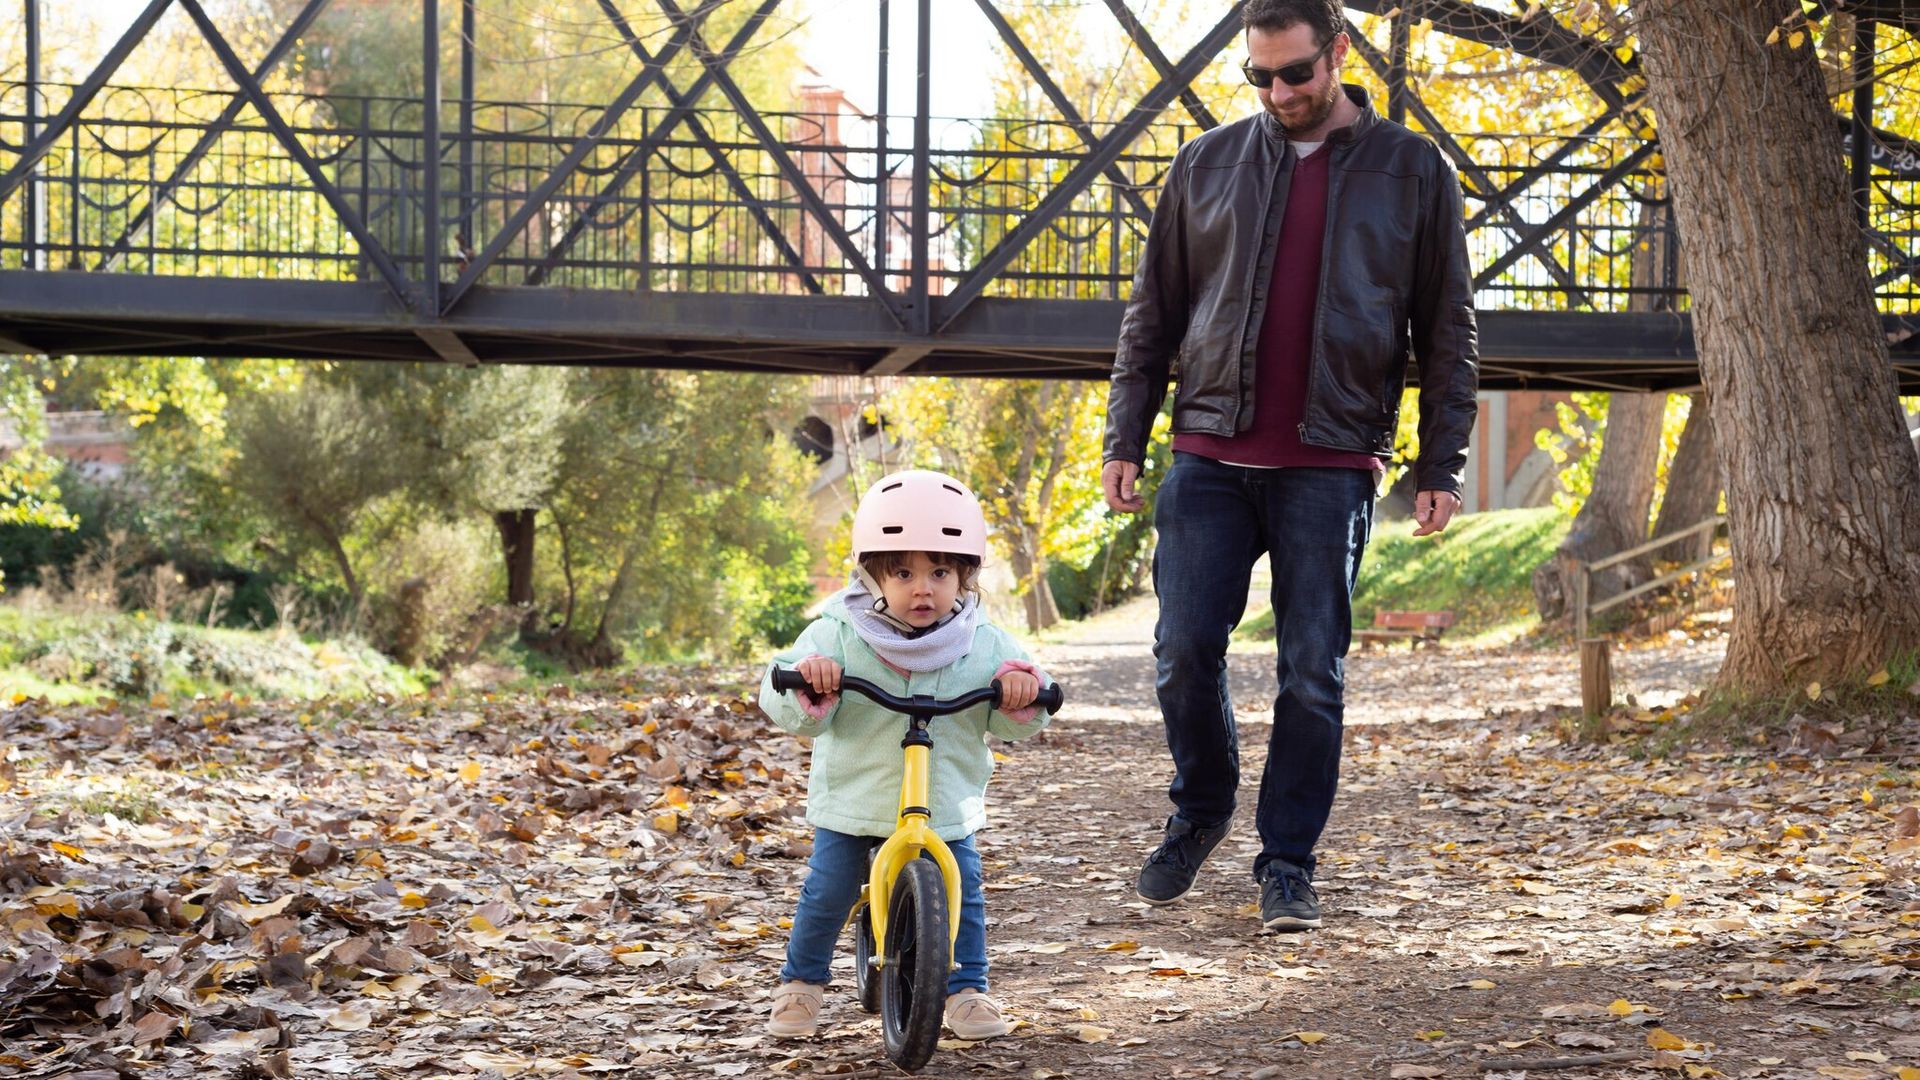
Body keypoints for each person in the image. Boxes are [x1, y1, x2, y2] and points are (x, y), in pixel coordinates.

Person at [1099, 0, 1478, 933]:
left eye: (1296, 74)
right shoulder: (1206, 163)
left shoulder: (1414, 169)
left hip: (1332, 457)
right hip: (1208, 450)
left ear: (1338, 54)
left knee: (1312, 671)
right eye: (1259, 78)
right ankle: (1202, 809)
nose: (1278, 93)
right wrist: (1124, 436)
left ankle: (1287, 863)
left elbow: (1447, 328)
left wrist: (1443, 459)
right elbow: (1153, 313)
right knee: (1183, 650)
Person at [758, 469, 1052, 1040]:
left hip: (941, 806)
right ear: (872, 575)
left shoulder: (982, 642)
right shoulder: (837, 635)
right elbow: (781, 697)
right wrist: (810, 683)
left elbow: (1019, 711)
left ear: (964, 576)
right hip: (857, 799)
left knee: (961, 889)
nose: (924, 589)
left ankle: (969, 991)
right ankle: (801, 982)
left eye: (940, 572)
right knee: (830, 887)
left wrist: (1022, 691)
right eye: (904, 572)